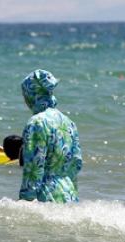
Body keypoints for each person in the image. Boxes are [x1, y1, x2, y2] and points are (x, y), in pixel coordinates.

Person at [19, 69, 82, 203]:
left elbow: (34, 168)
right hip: (69, 194)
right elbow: (76, 164)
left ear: (32, 95)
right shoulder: (68, 122)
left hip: (47, 195)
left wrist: (25, 201)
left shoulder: (36, 122)